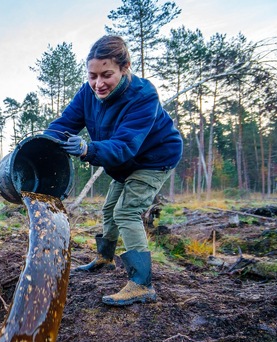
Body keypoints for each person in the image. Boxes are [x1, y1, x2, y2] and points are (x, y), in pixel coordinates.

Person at [45, 35, 183, 306]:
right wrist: (43, 142)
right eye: (92, 75)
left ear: (125, 67)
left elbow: (125, 145)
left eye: (106, 75)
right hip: (123, 163)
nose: (98, 84)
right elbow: (65, 123)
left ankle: (142, 283)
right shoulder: (88, 93)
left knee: (127, 211)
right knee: (109, 209)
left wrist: (87, 149)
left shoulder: (143, 96)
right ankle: (105, 258)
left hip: (153, 158)